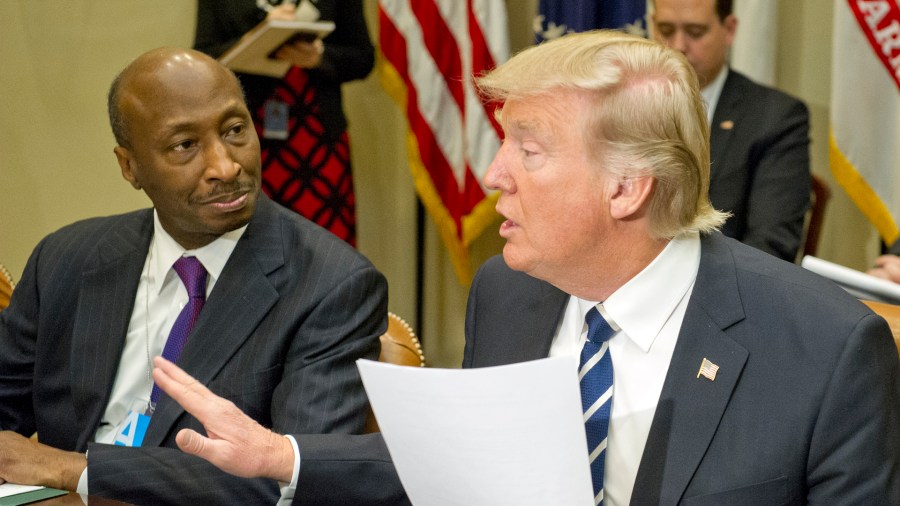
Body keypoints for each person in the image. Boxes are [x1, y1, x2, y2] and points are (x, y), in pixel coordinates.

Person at [156, 31, 899, 504]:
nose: (494, 174)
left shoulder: (825, 350)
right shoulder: (509, 293)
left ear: (626, 186)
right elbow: (470, 464)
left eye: (529, 150)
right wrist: (281, 455)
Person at [0, 47, 387, 505]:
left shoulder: (332, 284)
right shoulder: (65, 260)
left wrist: (74, 469)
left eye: (235, 130)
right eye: (186, 145)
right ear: (130, 167)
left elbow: (290, 479)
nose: (226, 166)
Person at [194, 0, 374, 246]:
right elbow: (202, 59)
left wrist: (319, 56)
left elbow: (364, 58)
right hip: (245, 138)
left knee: (326, 250)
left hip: (319, 136)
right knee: (254, 244)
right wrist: (255, 38)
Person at [652, 0, 811, 263]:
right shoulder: (621, 106)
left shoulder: (776, 117)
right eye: (666, 30)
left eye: (695, 32)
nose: (678, 45)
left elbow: (770, 246)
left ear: (729, 30)